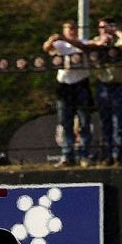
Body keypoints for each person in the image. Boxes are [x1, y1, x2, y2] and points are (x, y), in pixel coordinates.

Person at [43, 20, 94, 167]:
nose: (71, 30)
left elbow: (85, 47)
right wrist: (52, 39)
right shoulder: (60, 45)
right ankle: (67, 155)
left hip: (81, 84)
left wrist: (68, 40)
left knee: (84, 120)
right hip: (65, 86)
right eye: (68, 29)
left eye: (73, 28)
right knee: (65, 121)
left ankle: (84, 155)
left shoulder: (82, 42)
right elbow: (46, 48)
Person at [90, 16, 122, 165]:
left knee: (119, 121)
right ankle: (107, 154)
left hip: (119, 85)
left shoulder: (119, 42)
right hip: (103, 84)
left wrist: (115, 32)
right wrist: (103, 42)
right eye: (102, 27)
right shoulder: (96, 41)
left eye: (107, 27)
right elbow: (90, 47)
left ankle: (119, 155)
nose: (104, 30)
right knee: (105, 121)